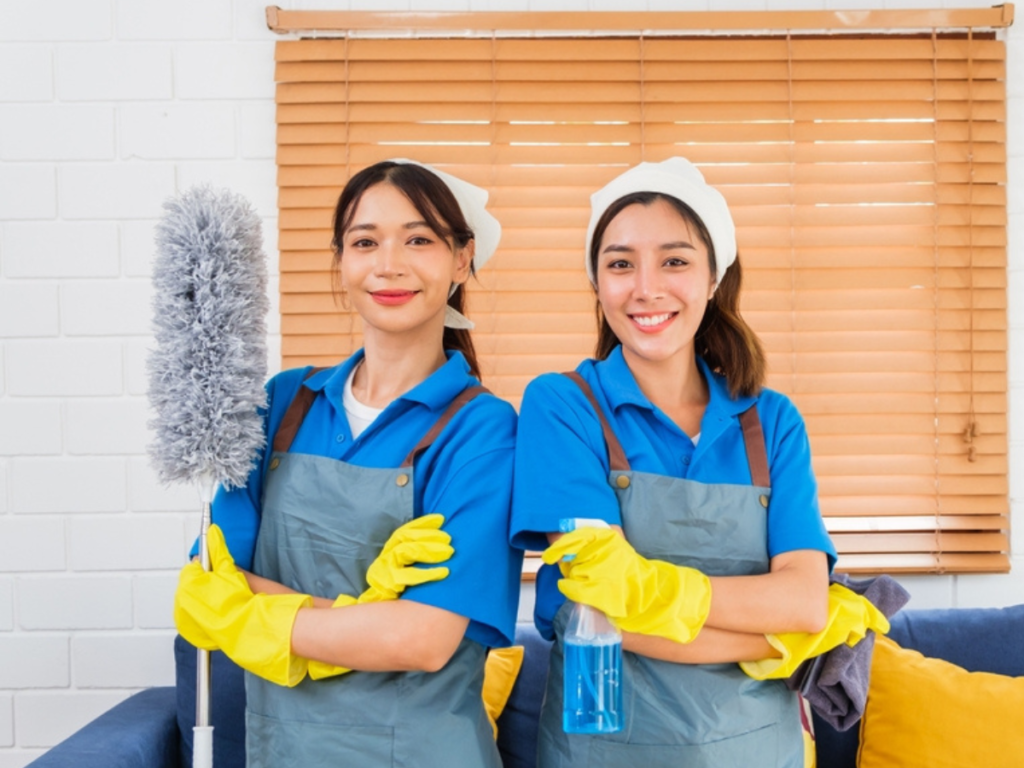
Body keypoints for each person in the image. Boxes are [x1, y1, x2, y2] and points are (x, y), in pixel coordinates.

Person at [174, 159, 522, 768]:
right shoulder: (282, 402)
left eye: (418, 240)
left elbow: (424, 639)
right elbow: (215, 577)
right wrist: (366, 618)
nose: (389, 264)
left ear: (462, 260)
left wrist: (265, 617)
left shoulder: (482, 429)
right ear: (341, 261)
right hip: (282, 751)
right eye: (365, 242)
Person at [510, 157, 840, 767]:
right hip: (605, 750)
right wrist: (767, 637)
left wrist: (653, 593)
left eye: (675, 260)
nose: (646, 287)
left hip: (759, 752)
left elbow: (804, 603)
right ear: (597, 283)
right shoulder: (564, 407)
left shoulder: (771, 422)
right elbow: (596, 611)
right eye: (619, 264)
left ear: (714, 277)